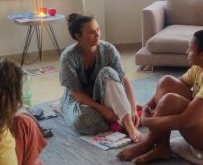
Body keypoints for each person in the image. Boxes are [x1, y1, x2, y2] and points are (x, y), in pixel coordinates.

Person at [118, 29, 203, 164]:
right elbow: (169, 87)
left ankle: (147, 144)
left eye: (190, 49)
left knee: (170, 100)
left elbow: (185, 121)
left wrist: (148, 121)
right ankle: (162, 147)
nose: (187, 52)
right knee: (166, 82)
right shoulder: (199, 68)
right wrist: (147, 106)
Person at [59, 13, 142, 141]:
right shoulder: (68, 57)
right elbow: (76, 92)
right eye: (91, 32)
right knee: (82, 122)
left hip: (106, 94)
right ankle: (119, 113)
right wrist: (101, 109)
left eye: (98, 30)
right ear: (78, 36)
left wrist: (134, 109)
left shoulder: (108, 49)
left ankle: (128, 123)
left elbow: (124, 80)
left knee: (108, 72)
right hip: (80, 100)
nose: (97, 34)